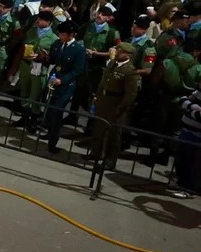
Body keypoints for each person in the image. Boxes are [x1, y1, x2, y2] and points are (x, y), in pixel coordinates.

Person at [87, 43, 141, 165]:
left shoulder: (130, 71)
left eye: (119, 51)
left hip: (116, 103)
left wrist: (120, 108)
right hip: (104, 100)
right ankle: (95, 153)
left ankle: (110, 160)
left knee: (113, 134)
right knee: (98, 129)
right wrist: (97, 96)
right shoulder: (112, 64)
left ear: (127, 55)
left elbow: (130, 95)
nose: (116, 52)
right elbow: (103, 82)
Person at [41, 21, 86, 154]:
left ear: (71, 35)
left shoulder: (79, 50)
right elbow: (53, 60)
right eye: (60, 34)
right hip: (53, 80)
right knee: (50, 109)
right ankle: (50, 132)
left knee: (57, 112)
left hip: (66, 85)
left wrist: (63, 80)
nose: (60, 36)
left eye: (63, 34)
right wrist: (45, 57)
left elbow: (78, 70)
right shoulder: (57, 44)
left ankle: (53, 141)